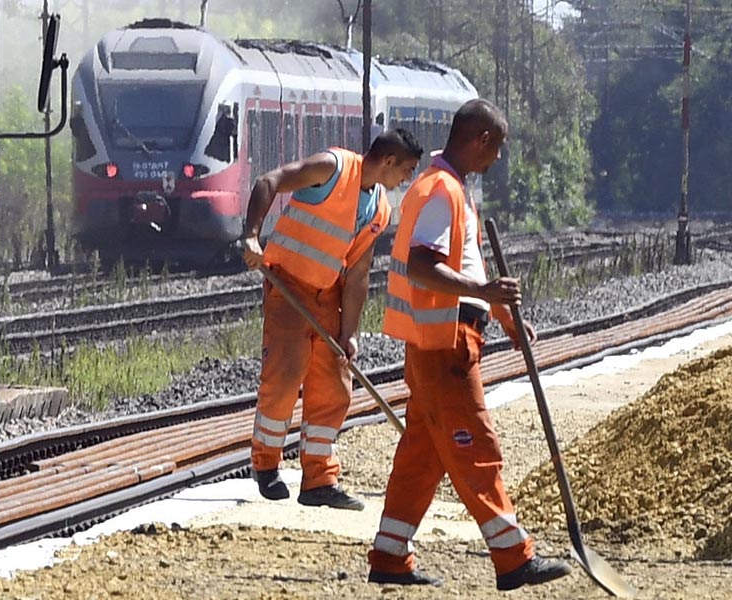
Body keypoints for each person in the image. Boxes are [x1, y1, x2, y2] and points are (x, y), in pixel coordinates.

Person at [367, 99, 572, 590]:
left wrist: (500, 314)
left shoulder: (448, 187)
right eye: (496, 147)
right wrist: (483, 295)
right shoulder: (442, 191)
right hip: (446, 346)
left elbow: (467, 264)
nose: (497, 159)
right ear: (480, 139)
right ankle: (513, 556)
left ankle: (390, 556)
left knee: (423, 455)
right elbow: (423, 264)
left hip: (432, 345)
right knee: (476, 446)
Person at [241, 129, 424, 510]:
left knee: (333, 385)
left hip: (328, 295)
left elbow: (357, 275)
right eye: (406, 170)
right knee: (286, 374)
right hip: (288, 284)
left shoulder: (379, 209)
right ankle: (266, 464)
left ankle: (319, 479)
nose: (406, 179)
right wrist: (252, 236)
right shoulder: (332, 168)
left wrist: (349, 333)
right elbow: (268, 182)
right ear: (389, 161)